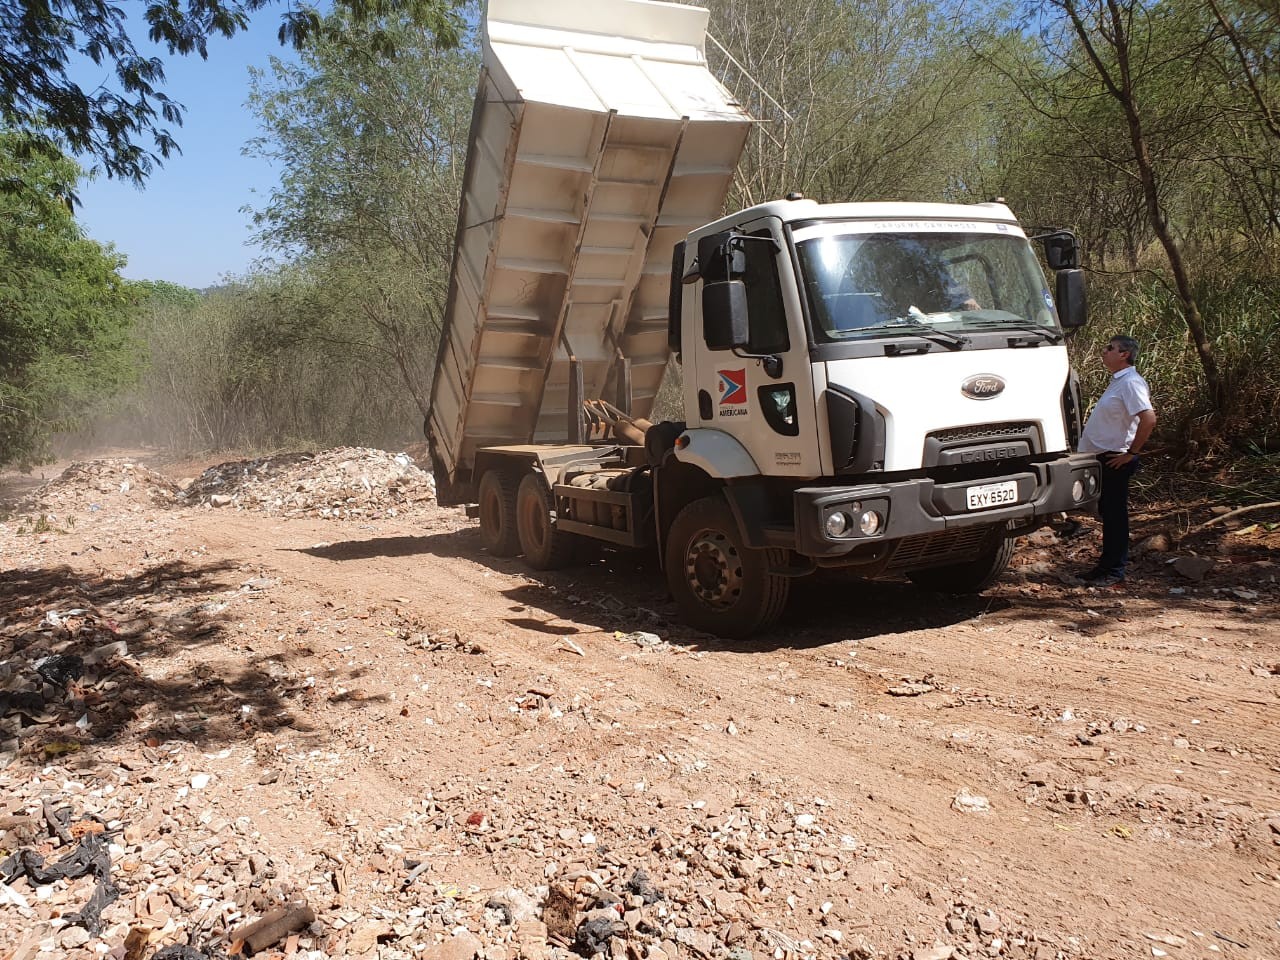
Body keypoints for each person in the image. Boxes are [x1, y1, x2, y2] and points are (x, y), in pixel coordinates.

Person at [1076, 335, 1157, 586]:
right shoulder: (1118, 382)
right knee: (1107, 514)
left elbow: (1148, 419)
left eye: (1110, 348)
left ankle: (1115, 571)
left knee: (1115, 516)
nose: (1104, 351)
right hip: (1103, 459)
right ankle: (1105, 566)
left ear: (1124, 354)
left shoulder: (1131, 382)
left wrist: (1131, 453)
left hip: (1115, 460)